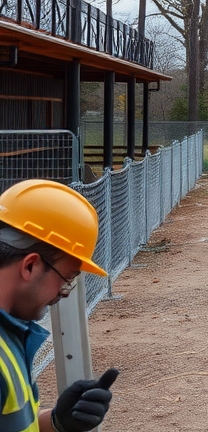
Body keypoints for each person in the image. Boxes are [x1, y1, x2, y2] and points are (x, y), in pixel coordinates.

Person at [0, 180, 119, 432]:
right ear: (30, 266)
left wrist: (57, 422)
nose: (61, 294)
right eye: (66, 279)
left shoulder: (9, 333)